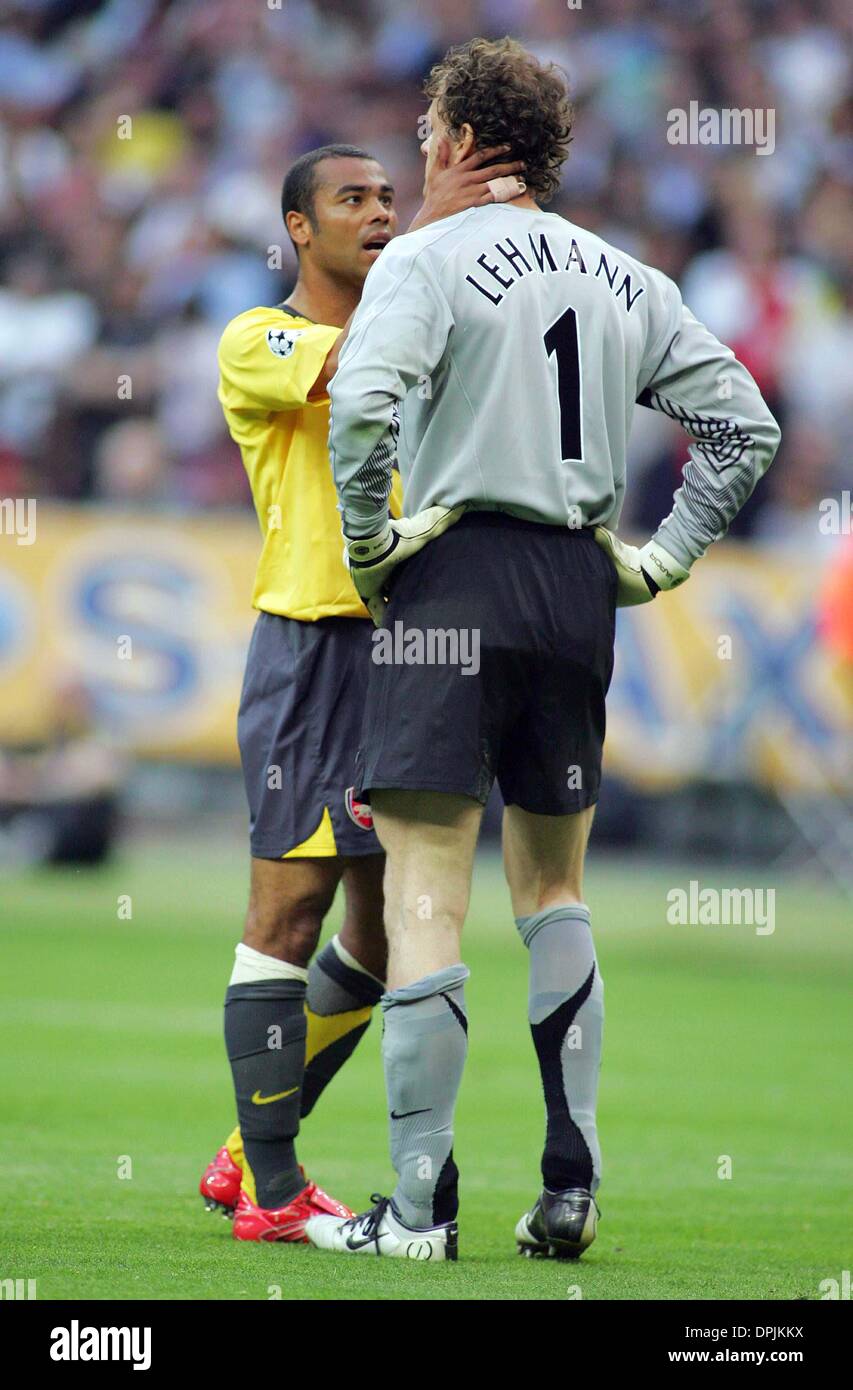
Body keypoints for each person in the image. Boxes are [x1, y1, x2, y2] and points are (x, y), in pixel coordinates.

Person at [305, 37, 781, 1262]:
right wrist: (661, 559)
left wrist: (371, 546)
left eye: (425, 136)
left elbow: (360, 406)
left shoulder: (425, 257)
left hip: (453, 565)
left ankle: (416, 1212)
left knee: (422, 893)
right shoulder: (628, 276)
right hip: (576, 581)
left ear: (461, 139)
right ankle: (568, 1186)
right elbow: (743, 424)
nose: (418, 155)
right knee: (555, 893)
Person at [204, 140, 526, 1242]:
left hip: (411, 650)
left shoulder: (418, 317)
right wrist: (441, 227)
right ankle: (278, 1193)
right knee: (286, 911)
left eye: (390, 196)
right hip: (310, 652)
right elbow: (356, 370)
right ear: (299, 227)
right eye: (355, 200)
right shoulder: (260, 339)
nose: (382, 213)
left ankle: (252, 1145)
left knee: (392, 930)